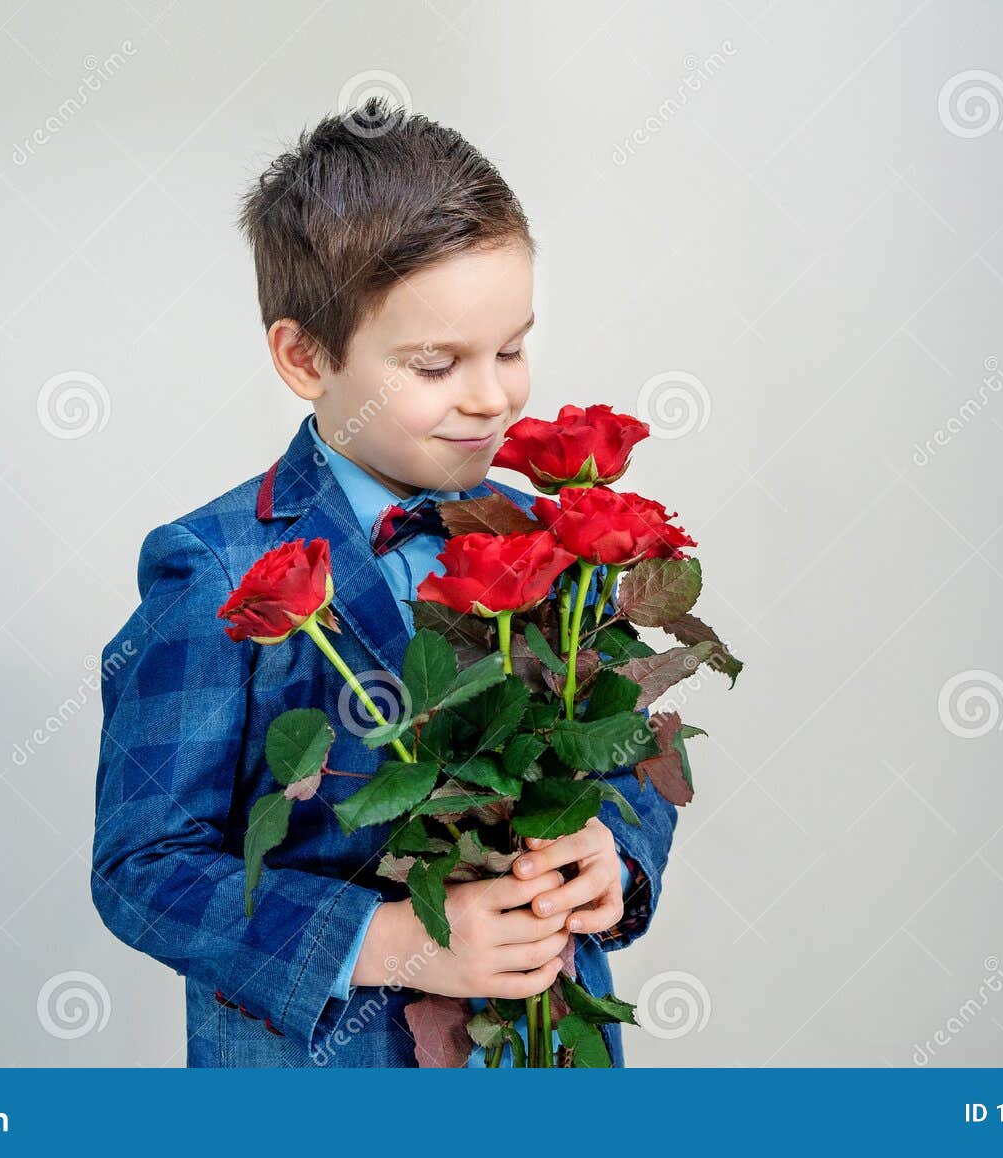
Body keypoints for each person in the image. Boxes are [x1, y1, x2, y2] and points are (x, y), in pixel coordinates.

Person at [90, 99, 676, 1067]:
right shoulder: (216, 566)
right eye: (438, 363)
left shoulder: (547, 535)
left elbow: (621, 746)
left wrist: (613, 852)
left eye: (513, 347)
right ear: (305, 357)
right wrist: (392, 943)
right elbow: (143, 869)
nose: (492, 397)